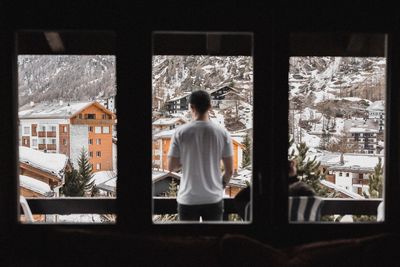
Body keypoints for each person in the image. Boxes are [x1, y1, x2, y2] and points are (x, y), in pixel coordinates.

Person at [167, 90, 234, 222]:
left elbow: (171, 167)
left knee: (188, 241)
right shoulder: (222, 133)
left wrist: (187, 159)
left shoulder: (180, 132)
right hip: (213, 199)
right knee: (213, 240)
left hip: (188, 199)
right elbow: (230, 170)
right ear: (210, 106)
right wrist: (220, 186)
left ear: (191, 107)